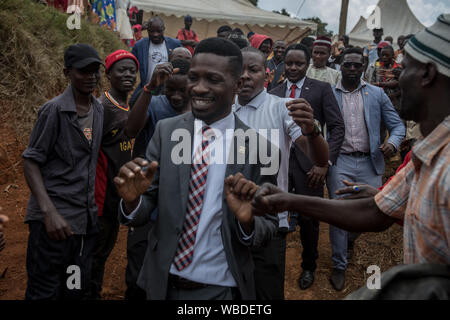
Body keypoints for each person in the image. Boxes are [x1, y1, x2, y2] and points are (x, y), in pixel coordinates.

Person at [251, 13, 450, 291]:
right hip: (335, 163)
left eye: (403, 69)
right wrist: (289, 201)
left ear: (427, 75)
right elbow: (374, 212)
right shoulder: (427, 157)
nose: (395, 79)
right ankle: (339, 264)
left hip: (363, 162)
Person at [115, 38, 281, 300]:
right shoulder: (167, 132)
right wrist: (133, 201)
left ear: (237, 85)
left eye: (213, 79)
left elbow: (269, 224)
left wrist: (247, 222)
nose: (199, 88)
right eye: (194, 77)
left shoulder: (262, 149)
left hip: (221, 290)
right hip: (162, 283)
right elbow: (145, 206)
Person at [233, 46, 330, 299]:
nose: (244, 76)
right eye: (238, 70)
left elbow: (317, 157)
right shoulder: (223, 109)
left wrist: (312, 130)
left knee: (266, 291)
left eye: (252, 70)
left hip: (269, 218)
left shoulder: (283, 107)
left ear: (266, 75)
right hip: (227, 217)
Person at [22, 44, 104, 299]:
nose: (91, 77)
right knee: (44, 292)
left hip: (84, 223)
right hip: (53, 224)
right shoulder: (54, 110)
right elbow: (31, 161)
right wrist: (49, 213)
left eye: (95, 71)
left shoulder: (98, 109)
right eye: (83, 71)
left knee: (74, 289)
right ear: (67, 72)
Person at [325, 47, 406, 291]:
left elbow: (398, 126)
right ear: (340, 66)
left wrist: (392, 143)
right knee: (339, 212)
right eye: (347, 65)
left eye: (356, 65)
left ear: (363, 67)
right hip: (340, 162)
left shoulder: (377, 94)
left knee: (372, 210)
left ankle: (349, 238)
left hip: (371, 162)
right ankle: (339, 264)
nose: (351, 69)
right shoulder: (328, 94)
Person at [269, 43, 345, 290]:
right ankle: (272, 264)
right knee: (274, 215)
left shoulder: (321, 89)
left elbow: (337, 127)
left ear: (307, 64)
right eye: (289, 63)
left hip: (310, 168)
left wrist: (325, 163)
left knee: (310, 220)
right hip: (278, 167)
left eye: (298, 63)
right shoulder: (275, 91)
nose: (292, 67)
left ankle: (309, 266)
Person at [124, 58, 192, 300]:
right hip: (148, 199)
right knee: (136, 273)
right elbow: (131, 130)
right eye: (169, 89)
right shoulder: (154, 103)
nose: (174, 96)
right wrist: (150, 88)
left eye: (181, 91)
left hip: (181, 207)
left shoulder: (201, 113)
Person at [88, 50, 142, 300]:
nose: (128, 75)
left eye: (132, 70)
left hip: (115, 195)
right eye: (122, 70)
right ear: (108, 74)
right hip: (100, 197)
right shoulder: (101, 107)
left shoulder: (127, 104)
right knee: (94, 253)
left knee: (103, 251)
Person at [130, 16, 181, 106]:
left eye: (159, 31)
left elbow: (181, 63)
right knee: (132, 104)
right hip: (147, 86)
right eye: (151, 31)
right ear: (147, 30)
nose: (155, 34)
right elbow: (131, 65)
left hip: (166, 90)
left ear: (164, 29)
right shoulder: (140, 45)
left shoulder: (175, 44)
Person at [371, 45, 402, 112]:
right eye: (382, 55)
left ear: (393, 55)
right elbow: (372, 83)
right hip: (379, 104)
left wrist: (390, 96)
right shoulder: (377, 68)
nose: (384, 57)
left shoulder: (398, 68)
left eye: (387, 55)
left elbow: (402, 87)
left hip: (395, 105)